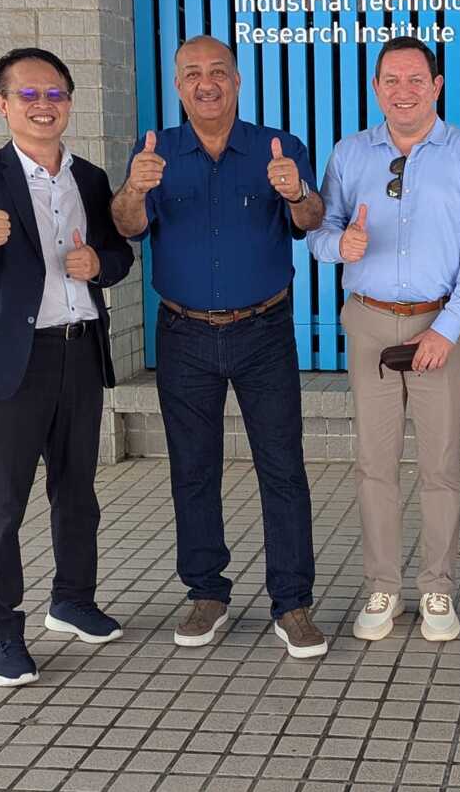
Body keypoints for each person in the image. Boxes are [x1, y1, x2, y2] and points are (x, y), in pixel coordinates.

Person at [0, 48, 134, 686]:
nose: (44, 105)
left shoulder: (89, 178)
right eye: (28, 95)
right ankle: (0, 634)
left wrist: (100, 266)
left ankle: (72, 601)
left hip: (79, 351)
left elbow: (118, 256)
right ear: (2, 104)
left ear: (69, 101)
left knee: (77, 491)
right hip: (9, 363)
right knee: (0, 504)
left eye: (55, 94)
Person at [110, 35, 328, 659]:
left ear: (237, 80)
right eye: (192, 74)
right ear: (178, 85)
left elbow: (312, 219)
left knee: (282, 467)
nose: (205, 83)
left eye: (217, 72)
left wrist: (297, 193)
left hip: (263, 331)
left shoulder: (277, 147)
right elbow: (127, 226)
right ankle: (207, 593)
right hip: (183, 334)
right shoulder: (154, 152)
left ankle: (292, 602)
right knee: (192, 467)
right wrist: (133, 189)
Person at [307, 37, 460, 643]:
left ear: (437, 86)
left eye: (417, 79)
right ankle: (382, 586)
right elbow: (318, 231)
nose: (404, 90)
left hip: (440, 324)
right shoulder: (349, 154)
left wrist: (447, 328)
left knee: (440, 465)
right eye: (391, 79)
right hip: (370, 322)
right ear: (375, 87)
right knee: (375, 464)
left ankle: (438, 586)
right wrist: (340, 245)